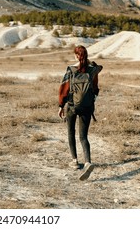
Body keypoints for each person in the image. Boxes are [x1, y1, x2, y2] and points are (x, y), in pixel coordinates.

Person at [58, 45, 103, 181]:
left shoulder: (71, 70)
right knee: (83, 137)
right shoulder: (92, 70)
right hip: (87, 107)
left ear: (76, 56)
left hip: (72, 106)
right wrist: (90, 63)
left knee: (71, 133)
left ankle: (75, 161)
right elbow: (95, 87)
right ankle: (88, 162)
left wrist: (61, 106)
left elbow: (63, 89)